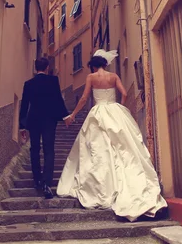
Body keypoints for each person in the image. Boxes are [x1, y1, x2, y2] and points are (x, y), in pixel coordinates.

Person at [56, 50, 167, 221]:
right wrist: (119, 108)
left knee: (98, 150)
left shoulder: (91, 78)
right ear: (105, 64)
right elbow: (124, 93)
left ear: (93, 65)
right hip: (114, 110)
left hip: (98, 112)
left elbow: (84, 98)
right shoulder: (114, 76)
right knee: (124, 148)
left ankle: (102, 186)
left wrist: (73, 115)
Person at [19, 57, 69, 199]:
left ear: (36, 68)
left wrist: (22, 126)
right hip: (49, 120)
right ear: (47, 68)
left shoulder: (28, 84)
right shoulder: (53, 81)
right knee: (49, 150)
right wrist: (65, 116)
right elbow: (58, 99)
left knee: (34, 149)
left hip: (33, 120)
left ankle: (37, 180)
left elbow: (24, 106)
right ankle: (47, 183)